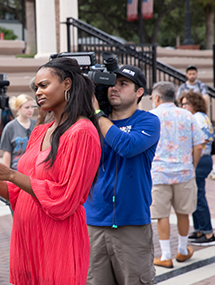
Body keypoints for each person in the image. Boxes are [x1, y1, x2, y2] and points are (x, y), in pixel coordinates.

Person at [0, 57, 102, 284]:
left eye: (44, 85)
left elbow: (65, 199)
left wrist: (11, 174)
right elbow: (17, 193)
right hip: (26, 238)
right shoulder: (40, 132)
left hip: (57, 241)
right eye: (36, 87)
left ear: (67, 84)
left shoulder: (82, 132)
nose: (38, 92)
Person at [85, 65, 161, 285]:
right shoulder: (90, 122)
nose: (114, 88)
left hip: (132, 223)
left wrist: (97, 113)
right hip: (93, 221)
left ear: (139, 92)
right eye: (112, 83)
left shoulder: (148, 121)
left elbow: (126, 146)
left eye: (123, 84)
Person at [149, 82, 203, 268]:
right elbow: (198, 145)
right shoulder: (187, 115)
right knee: (183, 212)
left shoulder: (151, 116)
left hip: (158, 173)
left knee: (162, 215)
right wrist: (192, 166)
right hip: (184, 172)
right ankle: (181, 250)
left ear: (157, 97)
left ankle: (166, 255)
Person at [179, 90, 215, 246]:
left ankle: (208, 234)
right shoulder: (202, 117)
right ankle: (200, 230)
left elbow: (197, 144)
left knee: (198, 196)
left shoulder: (195, 119)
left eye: (185, 103)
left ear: (194, 104)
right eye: (181, 103)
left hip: (199, 159)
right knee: (195, 195)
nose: (182, 107)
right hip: (205, 159)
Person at [0, 94, 36, 170]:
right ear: (18, 108)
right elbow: (7, 153)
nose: (30, 110)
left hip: (34, 169)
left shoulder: (36, 124)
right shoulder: (10, 127)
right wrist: (7, 174)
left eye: (32, 107)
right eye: (27, 107)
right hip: (17, 169)